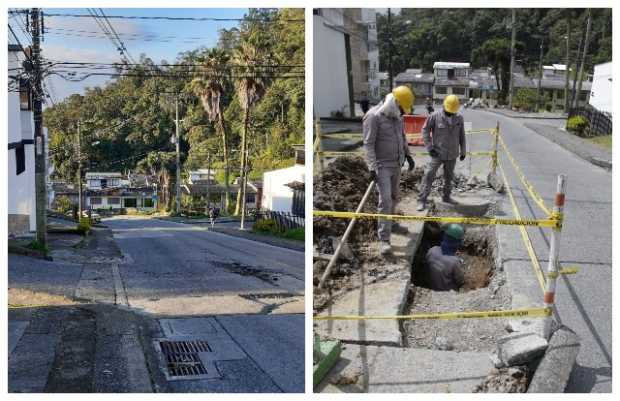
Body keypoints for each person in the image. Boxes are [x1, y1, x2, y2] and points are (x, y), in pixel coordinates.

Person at [363, 85, 416, 256]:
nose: (402, 112)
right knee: (385, 201)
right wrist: (372, 167)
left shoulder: (397, 116)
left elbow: (402, 137)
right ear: (394, 103)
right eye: (401, 108)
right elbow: (369, 144)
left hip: (396, 163)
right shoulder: (373, 117)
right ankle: (384, 239)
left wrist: (408, 155)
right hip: (382, 166)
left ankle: (391, 224)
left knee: (394, 197)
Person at [417, 94, 466, 211]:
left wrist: (463, 151)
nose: (451, 113)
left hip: (452, 154)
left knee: (449, 177)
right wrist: (429, 148)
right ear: (444, 106)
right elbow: (425, 130)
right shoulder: (435, 116)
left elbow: (462, 135)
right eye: (449, 111)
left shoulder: (459, 118)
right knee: (429, 175)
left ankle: (446, 197)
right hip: (437, 153)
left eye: (452, 111)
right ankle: (422, 200)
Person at [426, 224, 465, 291]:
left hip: (432, 287)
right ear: (457, 243)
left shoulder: (431, 250)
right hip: (447, 293)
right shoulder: (454, 262)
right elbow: (460, 281)